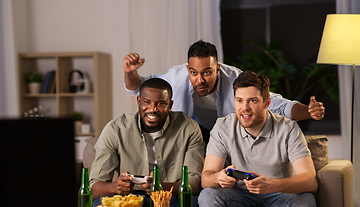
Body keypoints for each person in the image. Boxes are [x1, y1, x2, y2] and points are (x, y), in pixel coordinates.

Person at [123, 40, 325, 142]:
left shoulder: (235, 79)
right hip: (194, 134)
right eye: (194, 73)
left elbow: (279, 105)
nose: (200, 80)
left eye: (207, 72)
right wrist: (129, 71)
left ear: (218, 68)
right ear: (187, 70)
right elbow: (139, 87)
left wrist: (308, 111)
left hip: (228, 135)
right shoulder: (176, 76)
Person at [198, 71, 318, 207]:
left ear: (266, 102)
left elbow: (310, 180)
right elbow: (206, 178)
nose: (244, 108)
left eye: (252, 101)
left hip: (278, 196)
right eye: (239, 100)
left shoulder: (288, 128)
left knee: (306, 200)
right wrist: (219, 177)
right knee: (208, 195)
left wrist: (272, 185)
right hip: (239, 197)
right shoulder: (222, 127)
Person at [89, 77, 205, 207]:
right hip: (129, 197)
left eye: (161, 103)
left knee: (190, 205)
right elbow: (94, 187)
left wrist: (163, 187)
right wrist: (115, 187)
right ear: (139, 101)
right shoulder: (116, 129)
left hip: (169, 196)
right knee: (97, 205)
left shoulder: (189, 128)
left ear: (170, 105)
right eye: (147, 102)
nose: (152, 109)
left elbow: (195, 183)